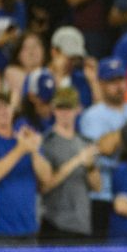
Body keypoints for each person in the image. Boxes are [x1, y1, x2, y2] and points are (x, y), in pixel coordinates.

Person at [0, 89, 51, 241]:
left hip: (30, 229)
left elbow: (47, 178)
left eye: (6, 106)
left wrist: (34, 150)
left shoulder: (25, 137)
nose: (3, 111)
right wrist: (21, 149)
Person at [79, 58, 127, 237]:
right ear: (101, 84)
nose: (118, 86)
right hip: (104, 195)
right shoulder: (93, 115)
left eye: (121, 80)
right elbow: (106, 147)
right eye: (112, 81)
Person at [39, 87, 100, 241]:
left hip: (82, 222)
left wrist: (90, 166)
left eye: (69, 108)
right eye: (61, 108)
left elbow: (97, 186)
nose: (65, 113)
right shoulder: (46, 143)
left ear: (78, 109)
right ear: (54, 109)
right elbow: (45, 185)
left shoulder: (86, 142)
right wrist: (77, 160)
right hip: (55, 223)